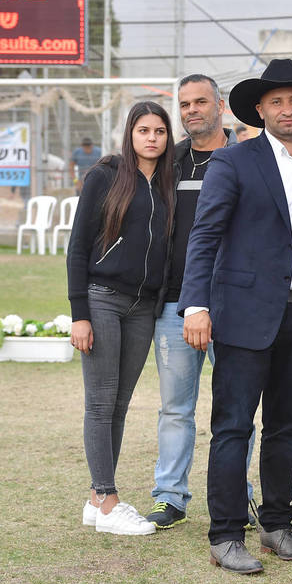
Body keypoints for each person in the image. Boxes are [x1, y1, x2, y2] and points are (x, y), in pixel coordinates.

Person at [179, 59, 292, 574]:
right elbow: (205, 235)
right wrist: (196, 305)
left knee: (285, 426)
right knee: (233, 427)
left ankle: (276, 523)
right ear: (261, 110)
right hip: (244, 315)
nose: (287, 109)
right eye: (276, 102)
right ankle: (226, 535)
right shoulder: (234, 162)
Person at [144, 74, 260, 531]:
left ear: (220, 105)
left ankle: (236, 497)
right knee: (175, 408)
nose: (192, 110)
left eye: (200, 102)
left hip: (232, 307)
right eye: (184, 104)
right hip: (175, 308)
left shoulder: (246, 158)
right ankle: (169, 496)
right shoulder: (167, 163)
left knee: (236, 411)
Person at [68, 102, 175, 536]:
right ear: (130, 134)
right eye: (143, 130)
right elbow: (78, 247)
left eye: (159, 131)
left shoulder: (168, 183)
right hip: (102, 300)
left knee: (119, 404)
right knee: (100, 402)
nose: (152, 138)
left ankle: (97, 500)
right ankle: (108, 500)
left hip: (143, 307)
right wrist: (79, 315)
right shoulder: (106, 176)